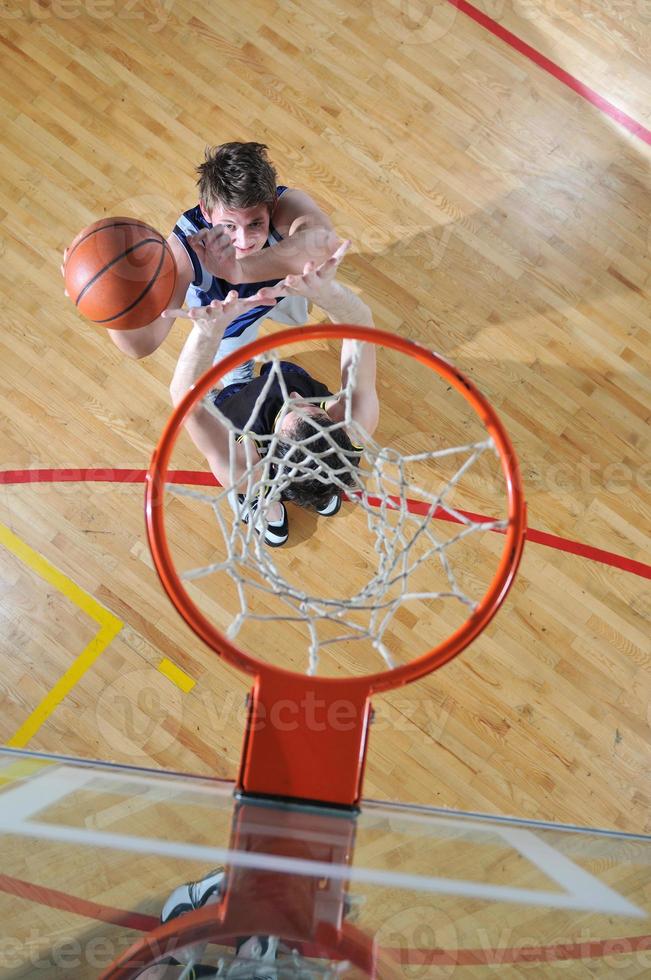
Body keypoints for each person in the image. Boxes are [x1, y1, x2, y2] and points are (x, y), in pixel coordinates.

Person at [168, 242, 379, 546]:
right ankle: (322, 491)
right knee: (281, 376)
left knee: (253, 490)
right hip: (311, 449)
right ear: (333, 420)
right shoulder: (354, 423)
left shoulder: (244, 469)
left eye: (291, 411)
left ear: (273, 452)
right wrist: (326, 293)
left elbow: (184, 400)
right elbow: (360, 324)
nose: (293, 395)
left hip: (240, 416)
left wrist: (208, 333)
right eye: (310, 407)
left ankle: (266, 511)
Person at [107, 142, 341, 375]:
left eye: (255, 224)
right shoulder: (186, 249)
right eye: (229, 226)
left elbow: (325, 243)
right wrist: (104, 301)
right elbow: (142, 343)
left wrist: (240, 271)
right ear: (206, 212)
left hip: (281, 292)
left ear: (272, 206)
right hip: (232, 325)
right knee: (235, 370)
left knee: (301, 309)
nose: (243, 240)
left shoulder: (287, 206)